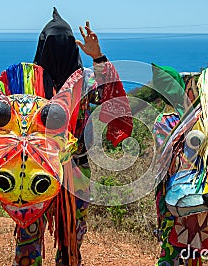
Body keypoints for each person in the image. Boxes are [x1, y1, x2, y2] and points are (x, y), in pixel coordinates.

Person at [14, 7, 132, 266]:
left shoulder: (82, 81)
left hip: (51, 171)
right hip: (47, 171)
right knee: (31, 234)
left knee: (63, 237)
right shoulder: (27, 83)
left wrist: (99, 57)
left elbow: (113, 102)